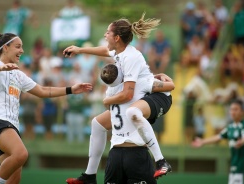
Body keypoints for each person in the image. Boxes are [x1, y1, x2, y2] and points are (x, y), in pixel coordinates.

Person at [64, 13, 174, 183]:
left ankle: (161, 161)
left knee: (133, 112)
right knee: (97, 123)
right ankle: (89, 176)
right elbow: (104, 50)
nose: (104, 35)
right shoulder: (119, 52)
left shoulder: (130, 57)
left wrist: (107, 100)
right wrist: (79, 50)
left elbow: (128, 94)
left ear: (116, 37)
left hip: (158, 96)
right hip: (142, 94)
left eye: (107, 32)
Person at [0, 32, 92, 184]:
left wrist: (71, 90)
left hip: (11, 125)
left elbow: (43, 91)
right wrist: (1, 68)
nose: (22, 50)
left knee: (14, 179)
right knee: (21, 154)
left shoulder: (19, 74)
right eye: (18, 46)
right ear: (5, 48)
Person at [100, 64, 173, 183]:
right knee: (134, 112)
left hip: (115, 153)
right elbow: (170, 87)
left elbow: (109, 107)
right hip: (136, 151)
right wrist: (163, 76)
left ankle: (89, 174)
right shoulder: (140, 83)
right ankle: (161, 160)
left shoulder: (110, 91)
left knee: (96, 124)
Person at [192, 100, 244, 184]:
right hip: (234, 164)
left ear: (242, 112)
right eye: (231, 109)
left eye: (236, 109)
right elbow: (218, 137)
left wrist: (241, 142)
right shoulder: (230, 127)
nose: (233, 112)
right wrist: (203, 141)